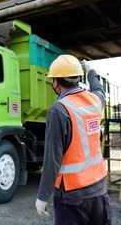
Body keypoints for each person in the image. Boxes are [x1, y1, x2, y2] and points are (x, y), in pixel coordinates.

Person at [35, 55, 111, 224]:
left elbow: (52, 160)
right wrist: (91, 72)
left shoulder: (59, 110)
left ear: (56, 82)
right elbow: (98, 89)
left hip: (72, 197)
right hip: (98, 191)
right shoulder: (95, 101)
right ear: (77, 78)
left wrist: (42, 196)